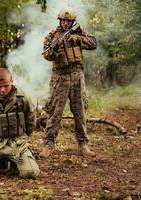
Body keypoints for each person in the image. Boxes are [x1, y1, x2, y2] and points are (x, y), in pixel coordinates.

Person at [40, 8, 97, 158]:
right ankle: (49, 144)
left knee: (80, 112)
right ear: (60, 21)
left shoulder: (79, 32)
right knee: (55, 113)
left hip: (77, 75)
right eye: (63, 21)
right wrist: (54, 50)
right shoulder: (52, 36)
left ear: (72, 22)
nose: (65, 23)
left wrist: (77, 39)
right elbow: (46, 55)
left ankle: (83, 144)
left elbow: (93, 43)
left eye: (68, 21)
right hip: (60, 77)